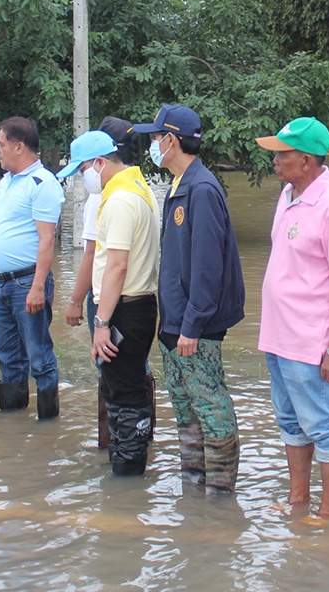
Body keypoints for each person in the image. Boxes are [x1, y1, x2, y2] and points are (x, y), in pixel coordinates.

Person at [136, 104, 245, 494]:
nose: (152, 145)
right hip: (175, 324)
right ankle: (194, 491)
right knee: (186, 411)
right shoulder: (180, 186)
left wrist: (193, 325)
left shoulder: (201, 189)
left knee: (211, 407)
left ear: (171, 139)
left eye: (155, 137)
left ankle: (219, 497)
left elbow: (206, 267)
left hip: (194, 327)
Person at [255, 117, 329, 517]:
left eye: (283, 154)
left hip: (311, 342)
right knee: (290, 422)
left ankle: (328, 514)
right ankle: (299, 499)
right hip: (278, 337)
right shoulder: (288, 195)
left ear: (308, 161)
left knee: (327, 424)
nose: (276, 161)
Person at [57, 130, 160, 476]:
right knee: (122, 389)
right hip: (138, 305)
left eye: (82, 169)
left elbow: (116, 266)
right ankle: (125, 468)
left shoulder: (119, 201)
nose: (80, 179)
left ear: (100, 163)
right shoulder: (138, 189)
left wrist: (101, 324)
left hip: (124, 309)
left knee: (125, 394)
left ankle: (127, 474)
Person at [0, 116, 64, 419]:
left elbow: (47, 240)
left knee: (39, 356)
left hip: (27, 282)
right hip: (2, 283)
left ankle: (47, 424)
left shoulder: (42, 184)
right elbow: (4, 228)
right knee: (7, 356)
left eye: (2, 144)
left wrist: (38, 287)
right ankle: (14, 423)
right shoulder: (7, 181)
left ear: (18, 147)